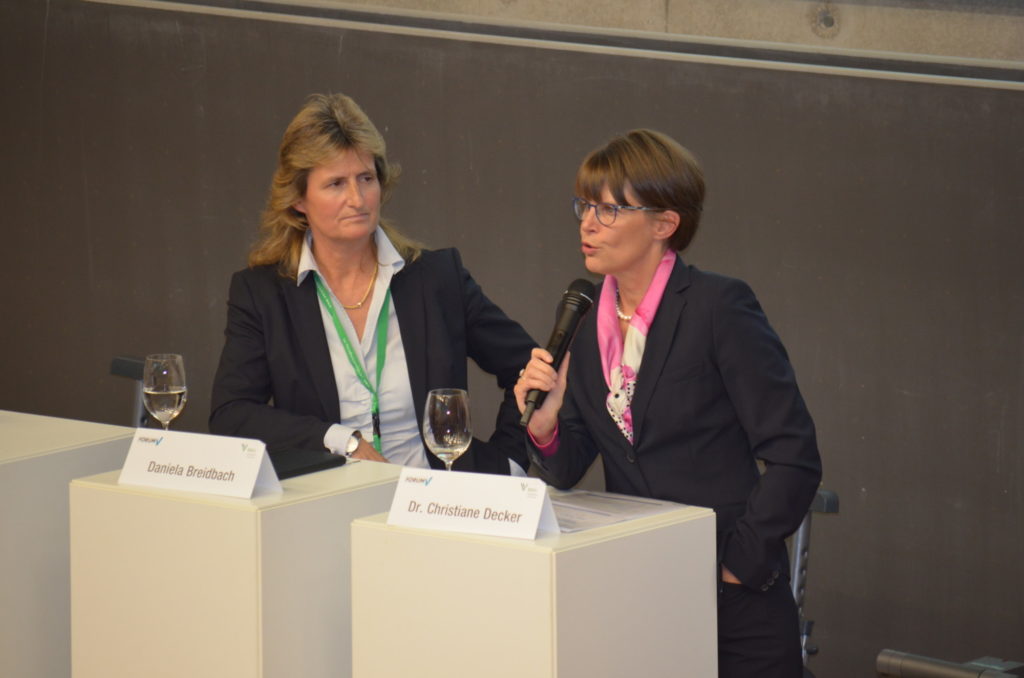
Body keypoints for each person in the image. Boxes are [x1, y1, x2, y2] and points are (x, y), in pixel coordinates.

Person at [514, 129, 822, 677]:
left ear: (664, 224)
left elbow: (794, 456)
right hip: (640, 588)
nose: (587, 223)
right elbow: (568, 468)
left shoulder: (718, 306)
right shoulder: (585, 320)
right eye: (584, 205)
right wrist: (545, 427)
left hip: (734, 599)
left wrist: (736, 565)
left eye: (609, 209)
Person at [210, 93, 535, 475]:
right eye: (335, 184)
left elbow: (529, 368)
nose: (357, 198)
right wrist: (340, 440)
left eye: (366, 178)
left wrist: (505, 465)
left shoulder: (436, 279)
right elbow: (232, 415)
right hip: (326, 499)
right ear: (299, 199)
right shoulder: (263, 294)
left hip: (433, 498)